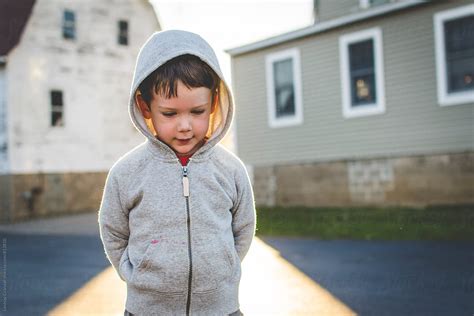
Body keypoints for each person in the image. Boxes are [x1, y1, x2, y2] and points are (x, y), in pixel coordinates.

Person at [98, 29, 256, 316]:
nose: (185, 126)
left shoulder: (230, 170)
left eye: (197, 111)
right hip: (147, 309)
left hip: (220, 308)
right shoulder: (127, 172)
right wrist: (133, 273)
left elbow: (243, 228)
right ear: (145, 106)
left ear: (214, 104)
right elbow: (113, 230)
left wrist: (224, 266)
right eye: (170, 114)